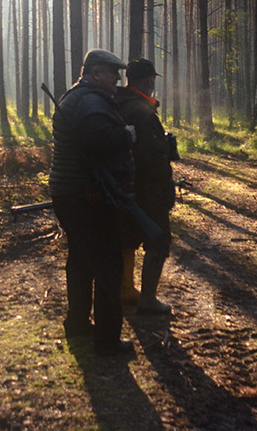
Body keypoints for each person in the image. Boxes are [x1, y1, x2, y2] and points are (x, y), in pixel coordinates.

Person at [49, 48, 136, 354]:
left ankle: (78, 325)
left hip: (69, 192)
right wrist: (127, 134)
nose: (118, 79)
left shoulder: (75, 97)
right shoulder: (91, 101)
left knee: (81, 260)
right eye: (114, 73)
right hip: (90, 196)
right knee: (108, 265)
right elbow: (101, 141)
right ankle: (108, 341)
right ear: (96, 73)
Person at [115, 58, 176, 315]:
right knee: (159, 240)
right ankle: (148, 299)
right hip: (148, 188)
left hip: (125, 185)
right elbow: (153, 157)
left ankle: (125, 291)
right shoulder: (141, 110)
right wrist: (167, 187)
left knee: (127, 239)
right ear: (149, 81)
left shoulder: (119, 104)